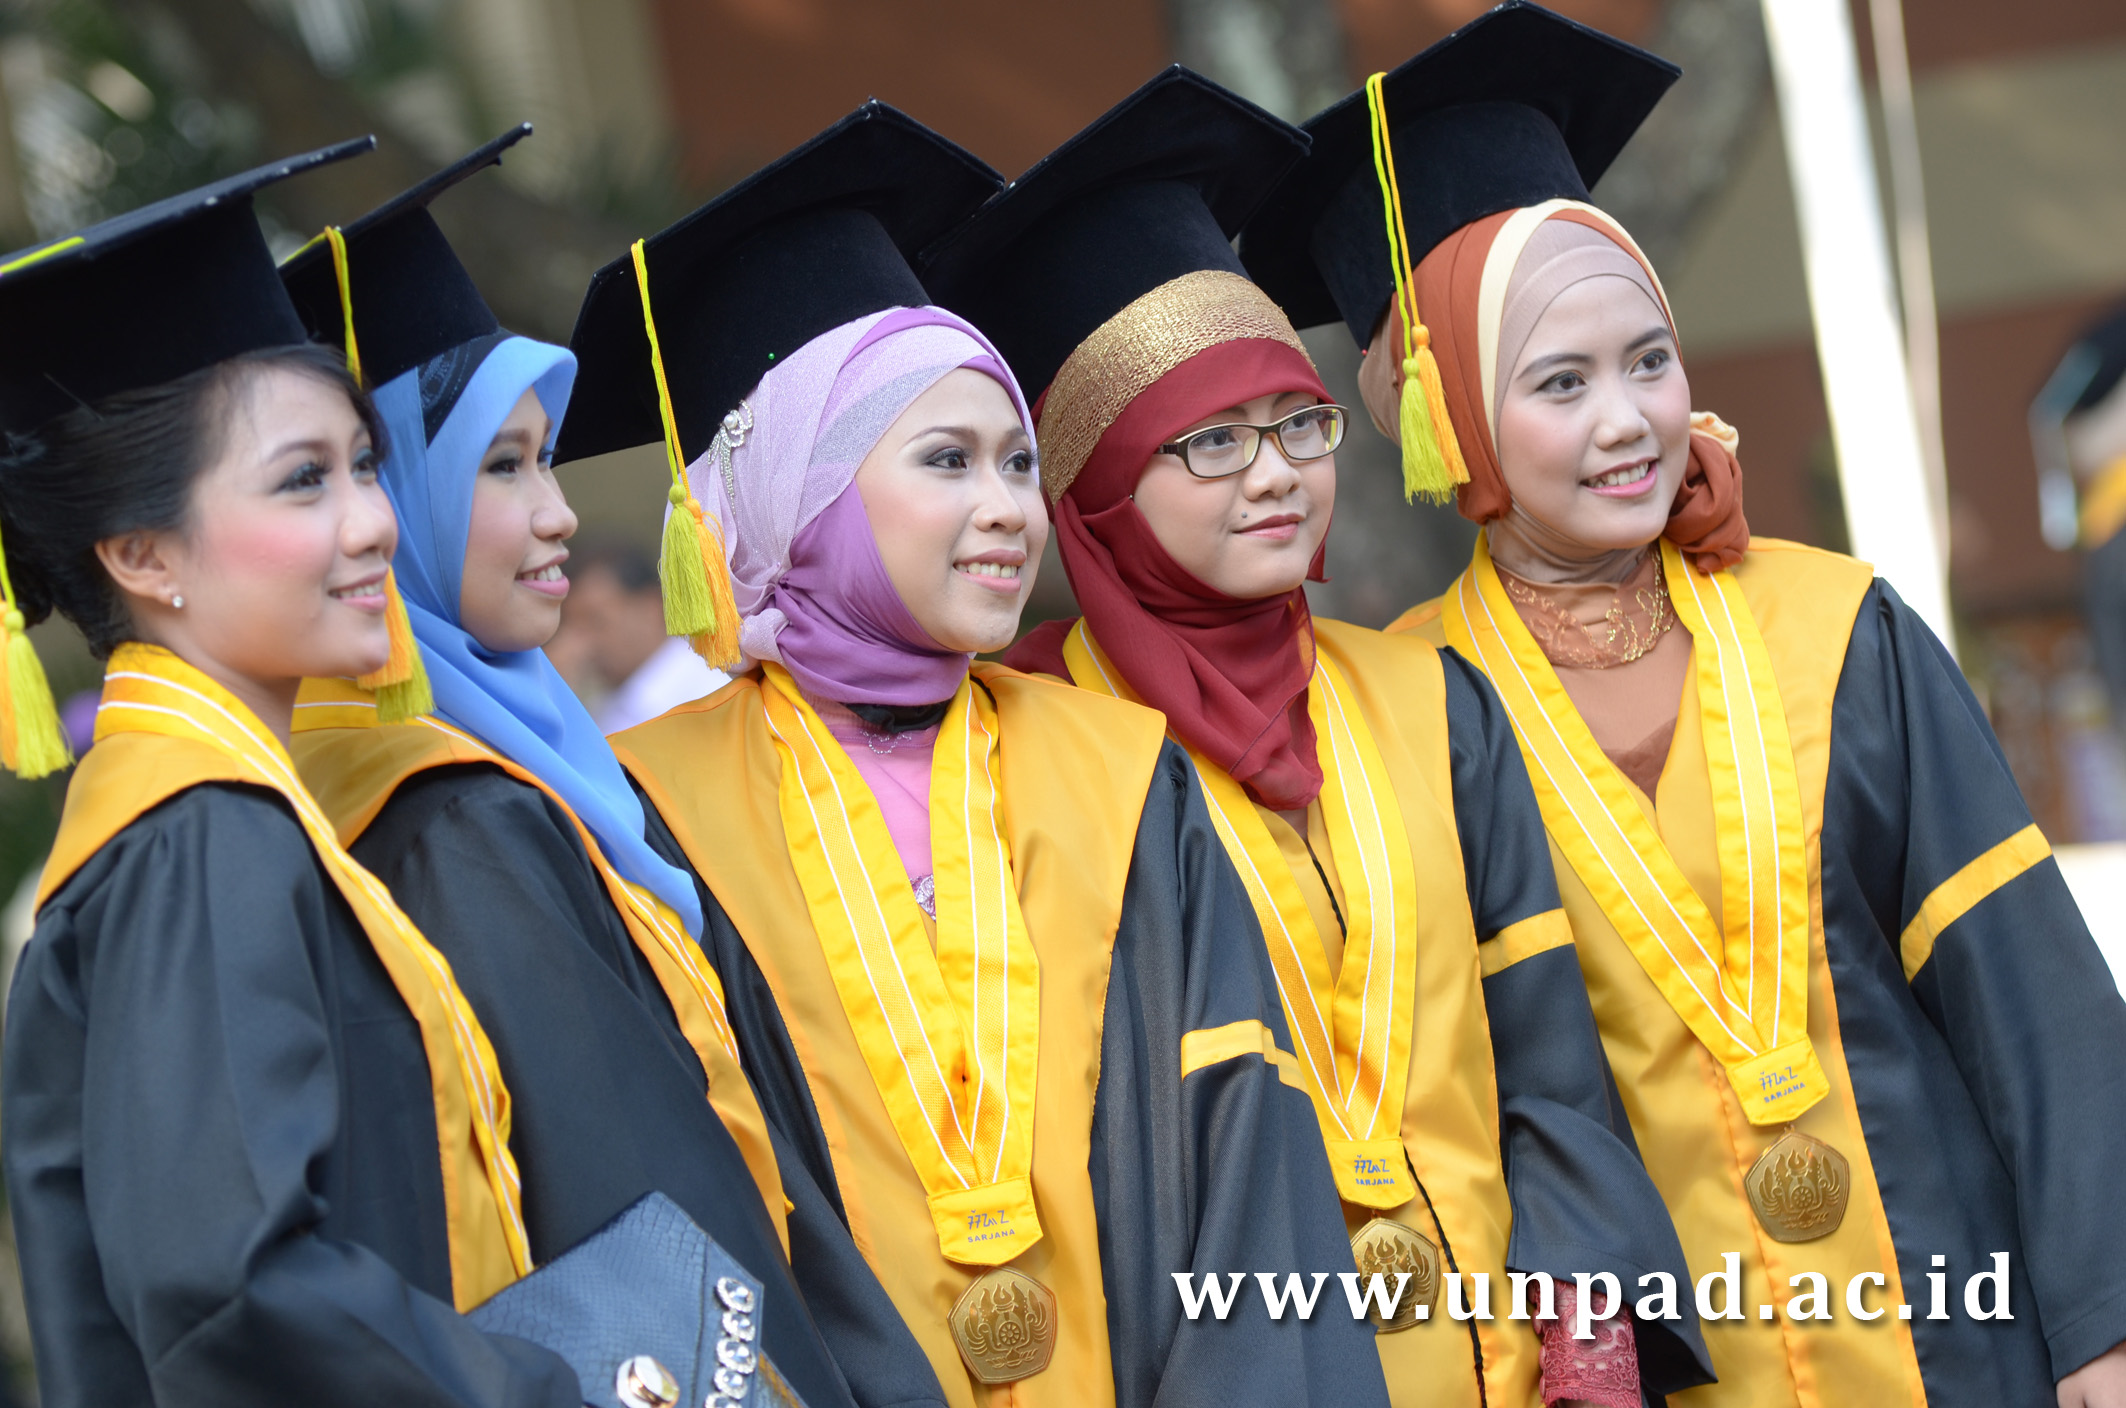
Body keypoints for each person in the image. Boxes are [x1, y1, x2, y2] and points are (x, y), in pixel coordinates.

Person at [1239, 5, 2126, 1406]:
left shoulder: (1837, 628)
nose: (1625, 420)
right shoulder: (1401, 712)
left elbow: (2030, 998)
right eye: (1559, 381)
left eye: (1648, 358)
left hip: (1965, 1341)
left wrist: (2101, 1323)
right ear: (1446, 414)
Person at [555, 101, 1390, 1408]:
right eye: (946, 461)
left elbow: (1243, 1164)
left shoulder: (1121, 772)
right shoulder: (642, 813)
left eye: (1015, 462)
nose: (1007, 506)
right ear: (794, 496)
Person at [927, 66, 1708, 1408]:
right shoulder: (1034, 759)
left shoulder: (1427, 699)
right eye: (1208, 443)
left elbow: (1548, 1063)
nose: (1277, 472)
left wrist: (1590, 1336)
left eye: (1297, 422)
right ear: (1096, 484)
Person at [277, 128, 898, 1408]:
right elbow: (632, 1181)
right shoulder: (441, 812)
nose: (559, 512)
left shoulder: (523, 760)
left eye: (545, 456)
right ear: (388, 503)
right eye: (501, 466)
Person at [0, 140, 586, 1407]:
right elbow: (230, 1283)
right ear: (144, 555)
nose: (373, 521)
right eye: (303, 481)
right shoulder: (196, 834)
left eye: (365, 464)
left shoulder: (215, 809)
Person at [559, 535, 729, 732]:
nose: (578, 644)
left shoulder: (709, 697)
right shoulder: (601, 701)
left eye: (595, 621)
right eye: (569, 626)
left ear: (651, 607)